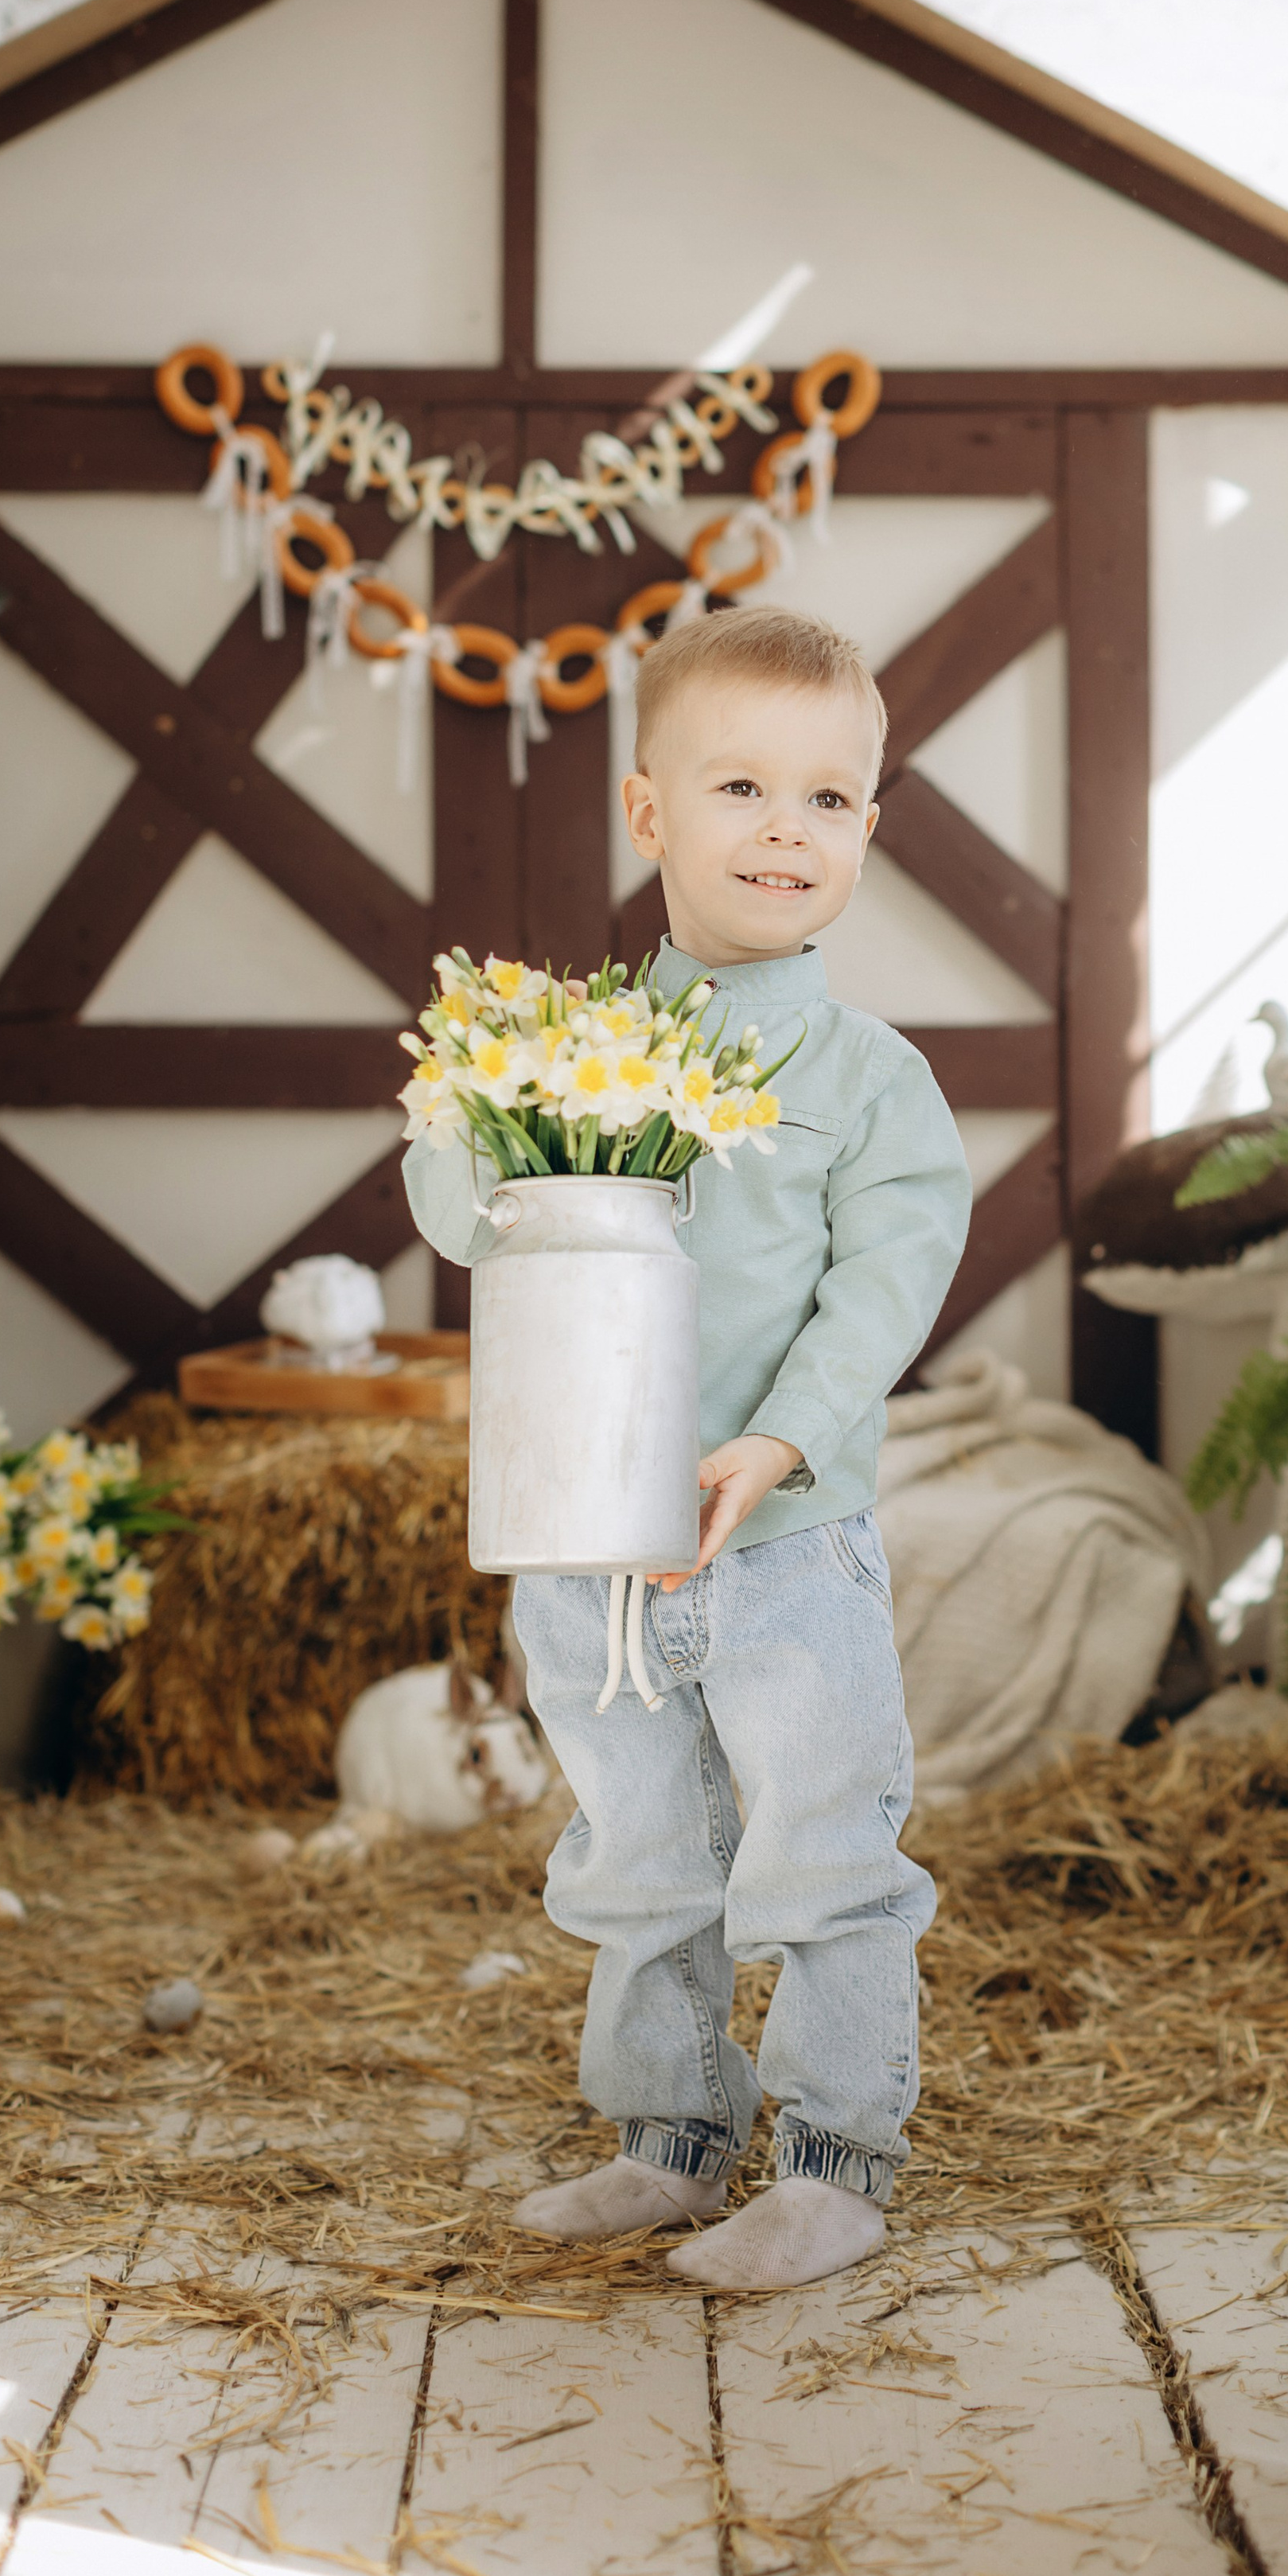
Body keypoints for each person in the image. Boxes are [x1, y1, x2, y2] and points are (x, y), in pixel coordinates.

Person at [404, 606, 970, 2290]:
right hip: (592, 1539)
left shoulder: (869, 1082)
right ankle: (665, 2138)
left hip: (780, 1542)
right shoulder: (578, 1048)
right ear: (649, 814)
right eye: (739, 785)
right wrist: (466, 1106)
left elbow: (886, 1287)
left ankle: (831, 2160)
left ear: (867, 827)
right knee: (638, 1859)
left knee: (819, 1852)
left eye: (828, 797)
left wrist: (780, 1443)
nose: (785, 828)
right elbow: (468, 1221)